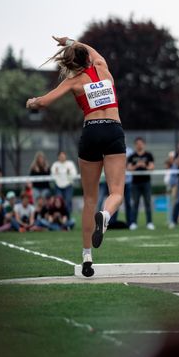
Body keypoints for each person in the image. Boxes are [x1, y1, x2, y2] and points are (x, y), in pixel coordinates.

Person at [26, 35, 126, 277]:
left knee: (89, 199)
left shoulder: (73, 82)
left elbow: (44, 102)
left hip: (91, 132)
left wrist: (32, 102)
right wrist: (70, 40)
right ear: (89, 57)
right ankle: (106, 215)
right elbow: (91, 50)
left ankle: (87, 258)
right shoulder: (103, 68)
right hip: (113, 129)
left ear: (72, 63)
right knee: (116, 193)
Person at [127, 137, 155, 230]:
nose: (139, 145)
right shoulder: (132, 156)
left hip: (146, 182)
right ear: (135, 145)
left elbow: (152, 167)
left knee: (147, 203)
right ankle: (134, 223)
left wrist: (145, 166)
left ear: (144, 144)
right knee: (135, 203)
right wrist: (136, 166)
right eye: (137, 143)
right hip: (135, 183)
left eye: (141, 143)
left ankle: (149, 223)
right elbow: (129, 168)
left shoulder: (148, 155)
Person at [50, 151, 77, 216]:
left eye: (63, 156)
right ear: (58, 157)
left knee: (68, 202)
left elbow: (74, 175)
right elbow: (52, 176)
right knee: (58, 202)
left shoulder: (70, 164)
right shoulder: (55, 164)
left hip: (68, 186)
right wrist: (55, 172)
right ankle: (60, 217)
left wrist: (69, 172)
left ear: (65, 156)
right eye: (60, 156)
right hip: (58, 186)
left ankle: (68, 217)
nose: (62, 157)